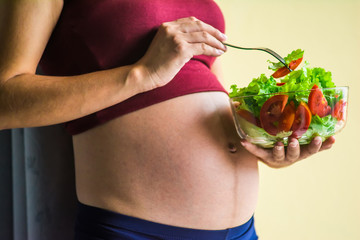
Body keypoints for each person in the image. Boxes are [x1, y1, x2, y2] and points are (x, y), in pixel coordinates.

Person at [0, 0, 335, 239]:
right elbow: (6, 98)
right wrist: (142, 73)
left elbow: (214, 98)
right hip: (136, 230)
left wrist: (272, 147)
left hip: (242, 231)